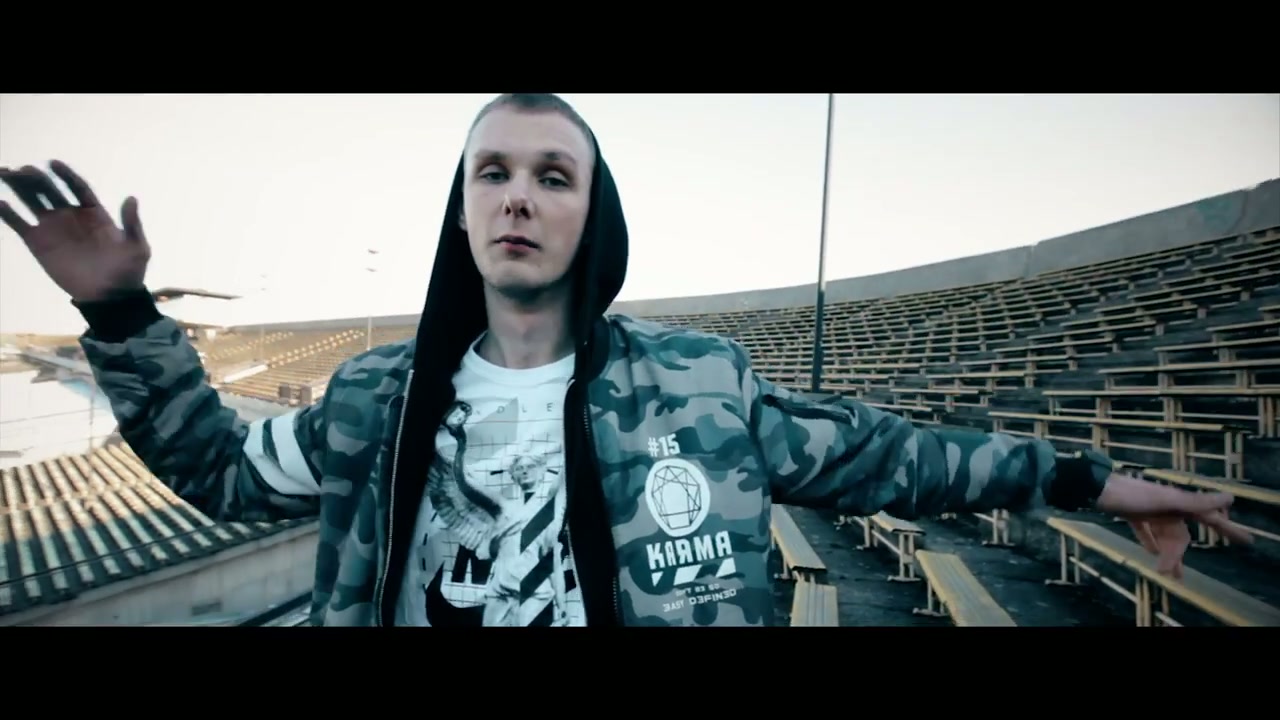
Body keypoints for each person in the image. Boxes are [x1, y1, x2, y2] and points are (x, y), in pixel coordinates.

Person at [0, 93, 1252, 627]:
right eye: (492, 172)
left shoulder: (700, 386)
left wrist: (1096, 483)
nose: (518, 195)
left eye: (553, 175)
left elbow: (900, 459)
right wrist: (119, 315)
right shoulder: (374, 397)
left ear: (591, 213)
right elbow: (222, 471)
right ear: (460, 211)